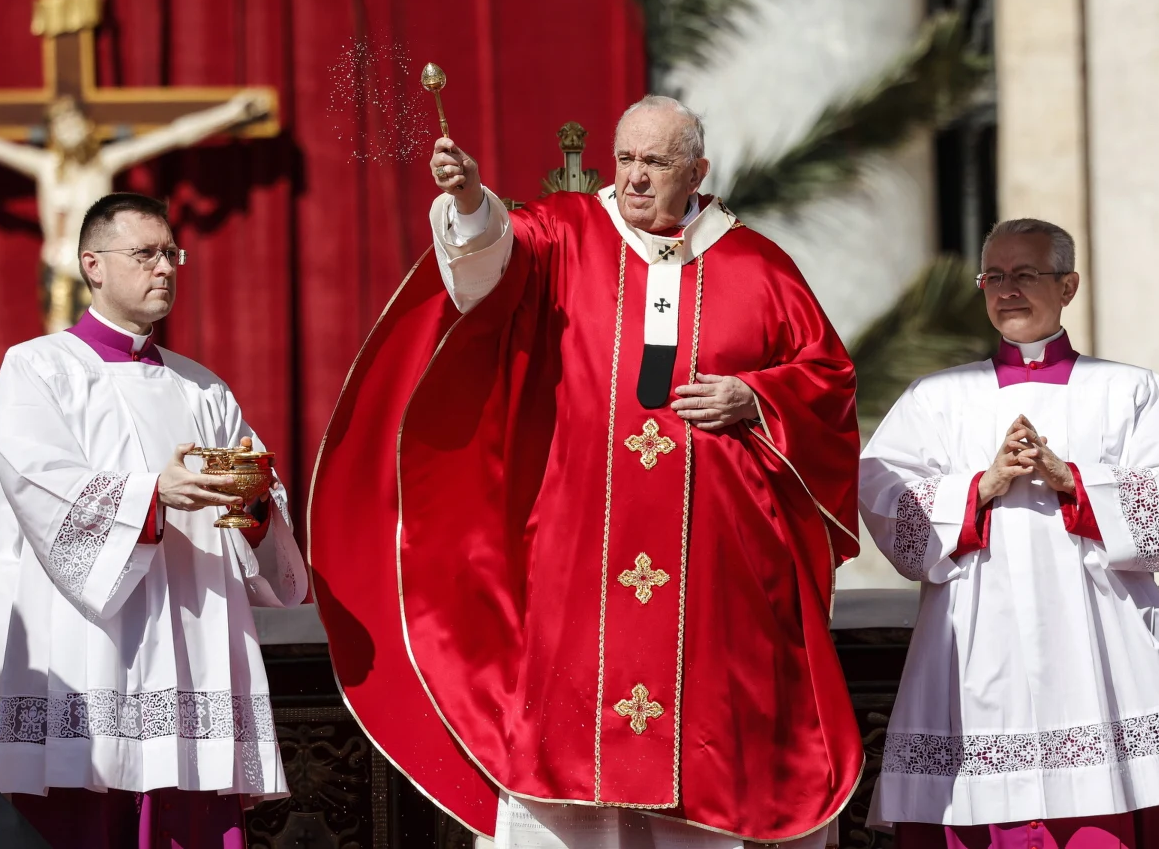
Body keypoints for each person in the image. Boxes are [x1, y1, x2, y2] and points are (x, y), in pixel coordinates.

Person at [310, 95, 863, 848]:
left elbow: (827, 378)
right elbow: (493, 265)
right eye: (627, 158)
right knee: (564, 755)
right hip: (582, 556)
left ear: (697, 171)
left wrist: (754, 395)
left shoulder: (756, 264)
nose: (635, 179)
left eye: (657, 163)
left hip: (715, 580)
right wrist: (471, 202)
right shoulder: (568, 233)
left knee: (706, 768)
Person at [859, 218, 1159, 848]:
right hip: (978, 638)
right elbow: (882, 491)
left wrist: (1072, 479)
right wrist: (977, 488)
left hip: (1101, 634)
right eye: (995, 277)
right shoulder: (936, 397)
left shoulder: (1131, 390)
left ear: (1068, 285)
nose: (1007, 290)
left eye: (1026, 275)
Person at [0, 192, 307, 848]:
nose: (164, 267)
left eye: (172, 253)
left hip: (193, 644)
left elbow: (258, 516)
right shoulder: (36, 369)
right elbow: (40, 489)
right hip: (90, 649)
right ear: (93, 265)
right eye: (145, 253)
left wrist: (250, 502)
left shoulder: (205, 388)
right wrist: (149, 496)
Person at [0, 91, 268, 333]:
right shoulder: (46, 167)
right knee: (58, 344)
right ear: (53, 131)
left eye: (73, 121)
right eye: (61, 124)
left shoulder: (103, 163)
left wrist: (231, 112)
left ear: (87, 126)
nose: (69, 130)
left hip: (99, 268)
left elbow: (173, 135)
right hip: (60, 268)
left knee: (102, 341)